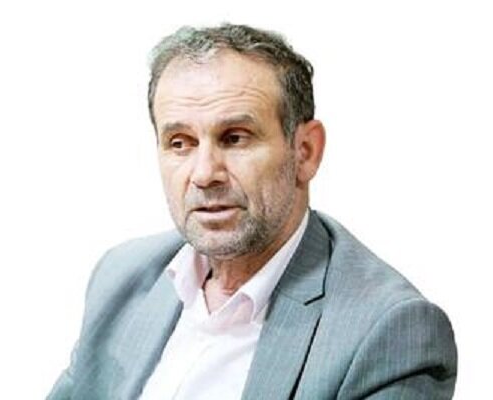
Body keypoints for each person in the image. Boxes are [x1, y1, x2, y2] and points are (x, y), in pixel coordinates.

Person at [47, 24, 457, 400]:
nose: (204, 173)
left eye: (235, 138)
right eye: (180, 143)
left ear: (305, 152)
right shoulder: (120, 277)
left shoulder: (390, 332)